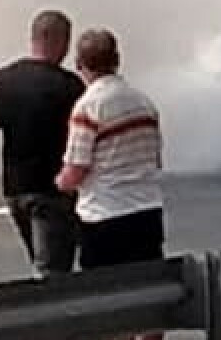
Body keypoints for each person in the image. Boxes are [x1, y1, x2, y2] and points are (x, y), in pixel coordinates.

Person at [0, 9, 86, 279]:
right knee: (53, 271)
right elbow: (88, 138)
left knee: (42, 261)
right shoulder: (70, 86)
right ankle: (44, 318)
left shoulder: (2, 81)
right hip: (54, 192)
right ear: (58, 40)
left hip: (16, 192)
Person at [58, 28, 166, 277]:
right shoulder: (144, 103)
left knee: (105, 295)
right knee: (147, 287)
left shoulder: (88, 107)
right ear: (117, 60)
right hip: (147, 212)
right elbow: (155, 159)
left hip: (104, 217)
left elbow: (77, 169)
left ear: (78, 64)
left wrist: (59, 183)